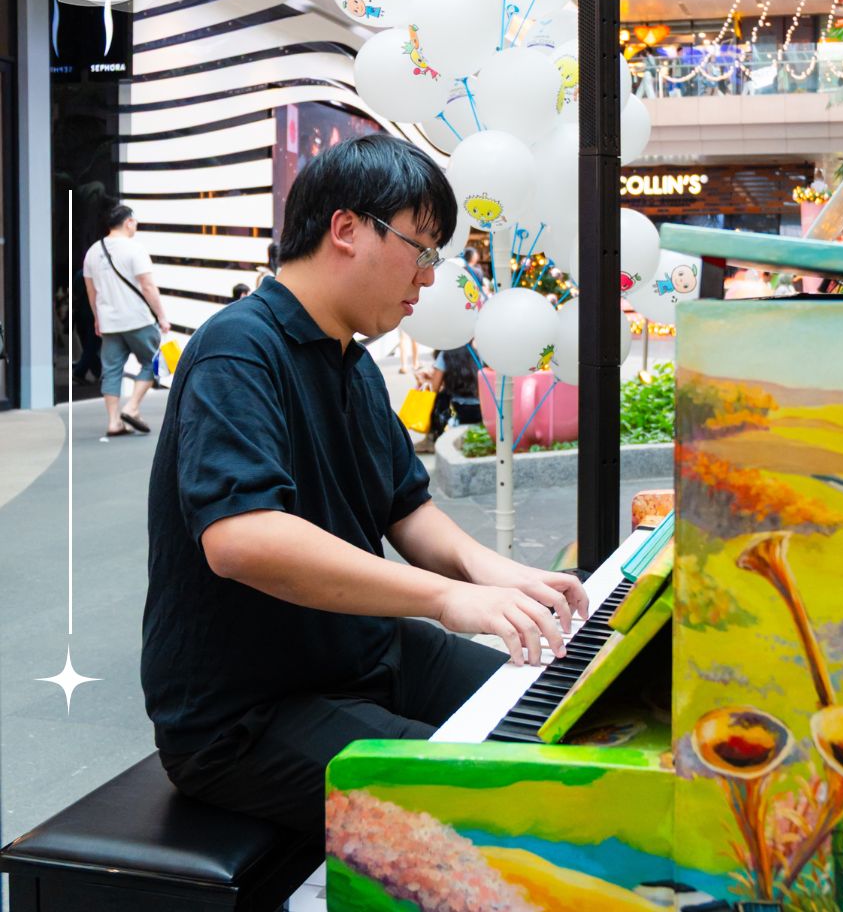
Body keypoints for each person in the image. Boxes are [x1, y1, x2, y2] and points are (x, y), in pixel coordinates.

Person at [141, 134, 587, 837]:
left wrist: (508, 579)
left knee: (563, 716)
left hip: (365, 650)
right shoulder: (237, 347)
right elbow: (243, 539)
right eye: (422, 248)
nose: (429, 278)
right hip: (249, 715)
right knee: (499, 803)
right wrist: (448, 599)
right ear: (346, 229)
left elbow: (405, 508)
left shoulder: (352, 362)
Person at [83, 204, 170, 437]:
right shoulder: (135, 249)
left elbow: (91, 292)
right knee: (154, 363)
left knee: (111, 371)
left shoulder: (92, 251)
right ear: (128, 222)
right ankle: (132, 407)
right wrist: (162, 316)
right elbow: (148, 286)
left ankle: (113, 422)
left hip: (109, 322)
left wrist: (97, 318)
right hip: (138, 319)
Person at [413, 345, 482, 452]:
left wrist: (421, 380)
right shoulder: (476, 352)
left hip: (458, 410)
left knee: (435, 398)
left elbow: (433, 389)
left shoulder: (445, 354)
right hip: (480, 410)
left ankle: (432, 439)